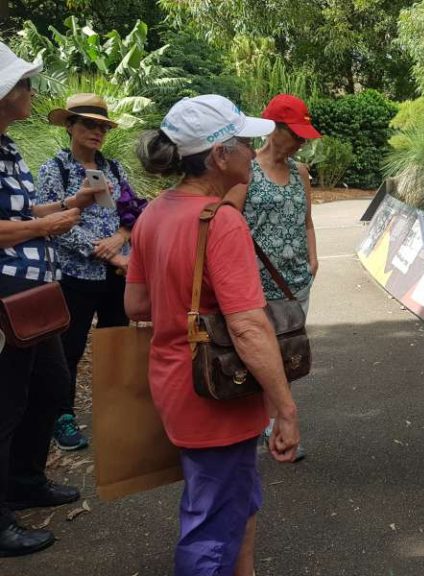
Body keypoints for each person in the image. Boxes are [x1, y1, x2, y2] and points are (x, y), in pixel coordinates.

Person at [126, 94, 300, 576]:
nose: (252, 152)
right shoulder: (221, 221)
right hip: (216, 392)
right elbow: (247, 327)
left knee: (231, 503)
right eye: (244, 142)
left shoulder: (154, 213)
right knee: (211, 529)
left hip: (174, 383)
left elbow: (136, 305)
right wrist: (285, 409)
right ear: (220, 155)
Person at [0, 41, 97, 557]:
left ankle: (25, 480)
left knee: (49, 385)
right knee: (6, 402)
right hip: (6, 296)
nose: (31, 92)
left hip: (34, 292)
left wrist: (63, 205)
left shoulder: (8, 146)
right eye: (24, 84)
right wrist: (45, 226)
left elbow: (18, 209)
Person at [39, 93, 141, 451]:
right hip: (75, 275)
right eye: (88, 125)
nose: (97, 132)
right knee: (68, 348)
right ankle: (62, 416)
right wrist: (109, 254)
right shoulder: (55, 169)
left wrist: (121, 238)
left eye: (102, 127)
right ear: (70, 126)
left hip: (116, 276)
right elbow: (53, 224)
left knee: (117, 344)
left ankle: (116, 411)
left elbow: (133, 209)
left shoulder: (114, 169)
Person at [227, 93, 321, 461]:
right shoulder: (246, 170)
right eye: (294, 134)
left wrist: (313, 259)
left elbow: (306, 221)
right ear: (272, 129)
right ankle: (267, 425)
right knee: (261, 358)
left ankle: (274, 424)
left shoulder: (300, 172)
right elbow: (228, 222)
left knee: (287, 356)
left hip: (295, 284)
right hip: (255, 286)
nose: (300, 142)